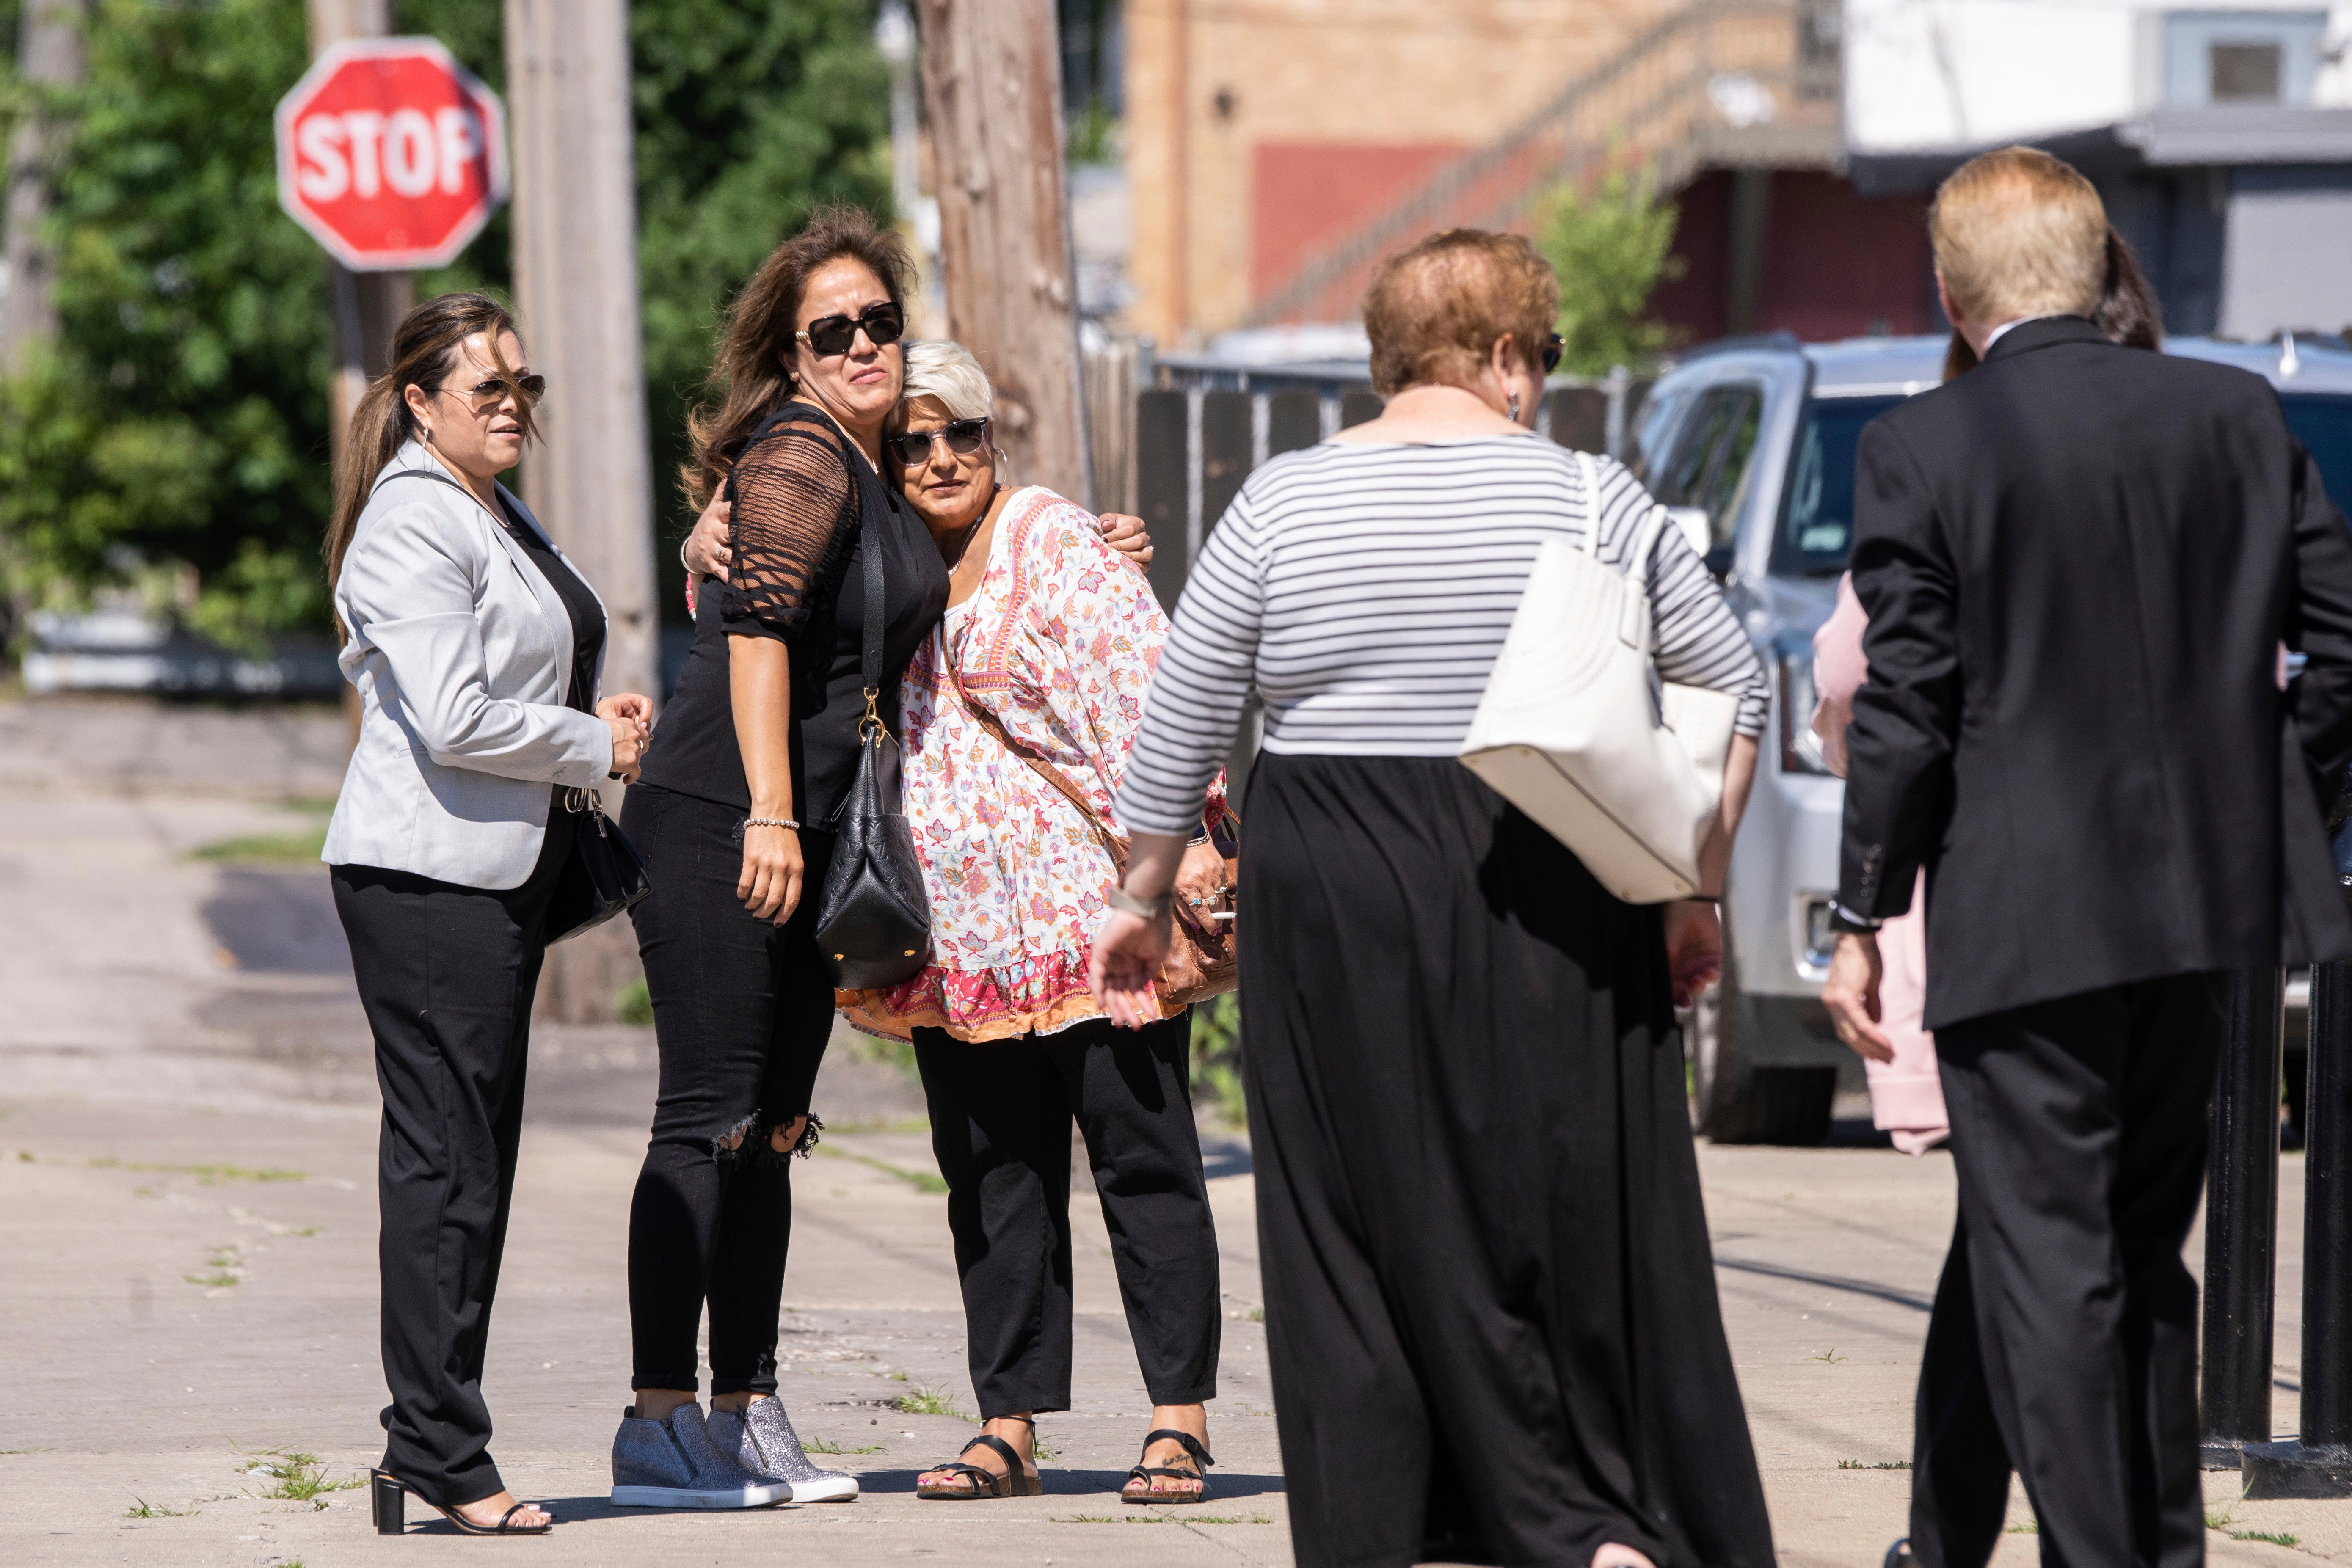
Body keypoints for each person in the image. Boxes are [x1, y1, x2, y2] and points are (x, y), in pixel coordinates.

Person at [1091, 229, 1776, 1568]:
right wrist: (1692, 892)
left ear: (1388, 358)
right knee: (1551, 1201)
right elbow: (1732, 685)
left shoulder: (1279, 504)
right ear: (1511, 357)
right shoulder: (1590, 498)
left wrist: (1141, 890)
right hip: (1548, 877)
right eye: (1548, 356)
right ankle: (1587, 1514)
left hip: (1330, 884)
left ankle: (1374, 1526)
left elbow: (1180, 717)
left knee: (1344, 1218)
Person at [1816, 147, 2352, 1568]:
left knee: (2050, 1265)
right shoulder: (2232, 412)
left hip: (2020, 916)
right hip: (2200, 914)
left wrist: (1860, 906)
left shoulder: (1920, 446)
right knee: (2133, 1255)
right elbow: (2340, 645)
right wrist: (2272, 801)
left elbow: (1906, 702)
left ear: (1945, 287)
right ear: (2102, 265)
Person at [615, 209, 1157, 1510]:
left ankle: (742, 1410)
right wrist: (764, 813)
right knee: (707, 1118)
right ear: (791, 354)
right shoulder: (802, 449)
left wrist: (1084, 535)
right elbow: (755, 634)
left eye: (879, 323)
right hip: (724, 824)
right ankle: (656, 1419)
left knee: (772, 1128)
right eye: (832, 331)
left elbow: (936, 564)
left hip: (804, 839)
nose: (864, 346)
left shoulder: (862, 463)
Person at [834, 341, 1231, 1504]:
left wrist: (1154, 887)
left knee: (1143, 1161)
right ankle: (1006, 1420)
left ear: (993, 438)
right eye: (912, 442)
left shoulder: (1054, 538)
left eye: (961, 432)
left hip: (1097, 924)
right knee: (993, 1176)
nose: (942, 456)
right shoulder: (886, 564)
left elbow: (1148, 700)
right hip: (961, 942)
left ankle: (1178, 1418)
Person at [323, 291, 652, 1537]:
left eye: (527, 385)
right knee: (445, 1164)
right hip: (424, 883)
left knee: (473, 1161)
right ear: (419, 402)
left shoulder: (488, 504)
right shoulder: (411, 519)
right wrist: (592, 749)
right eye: (488, 389)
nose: (515, 406)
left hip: (484, 876)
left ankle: (434, 1438)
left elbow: (523, 660)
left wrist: (593, 724)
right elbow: (454, 715)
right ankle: (439, 1448)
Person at [1812, 222, 2169, 1159]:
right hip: (2185, 897)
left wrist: (1861, 916)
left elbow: (1868, 681)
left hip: (2003, 901)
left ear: (1956, 304)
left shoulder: (1941, 454)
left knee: (2034, 1207)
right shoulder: (2216, 427)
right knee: (2111, 1217)